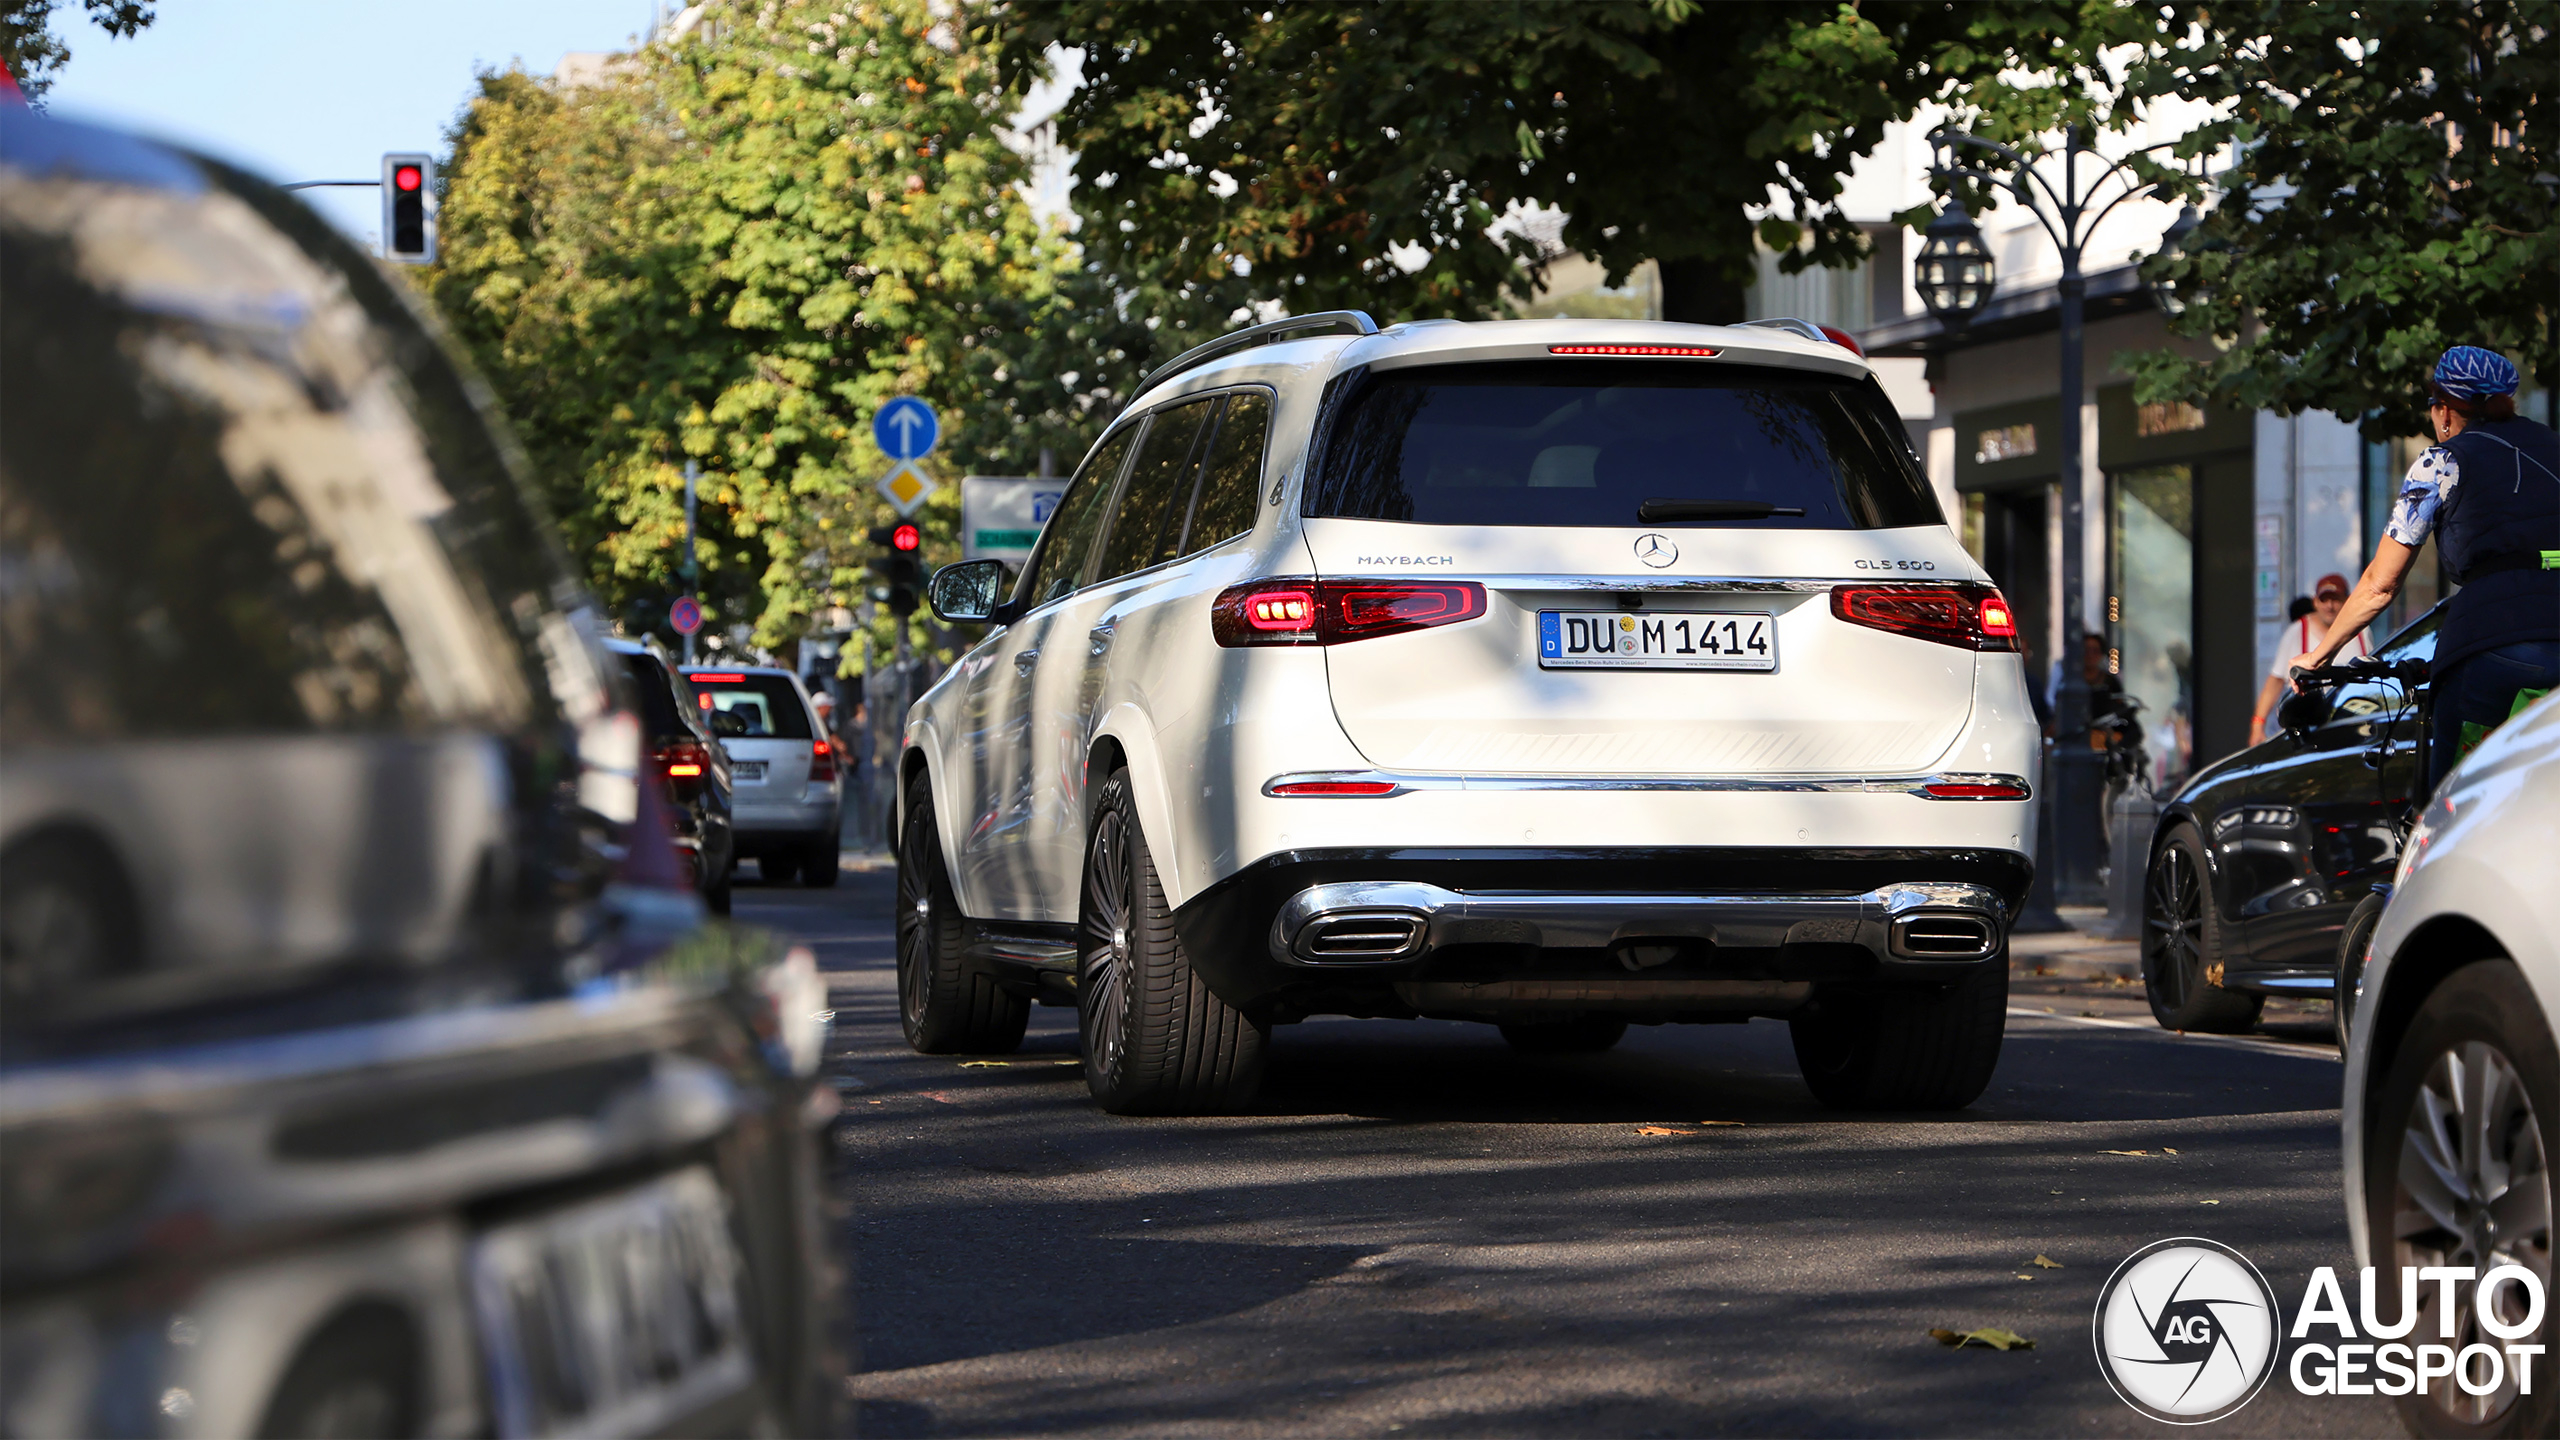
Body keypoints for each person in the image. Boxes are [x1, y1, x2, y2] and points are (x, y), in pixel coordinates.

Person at [2299, 345, 2559, 792]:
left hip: (2494, 642)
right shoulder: (2554, 445)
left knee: (2454, 800)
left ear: (2443, 411)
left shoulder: (2441, 463)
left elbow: (2381, 583)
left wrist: (2318, 656)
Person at [2251, 573, 2369, 744]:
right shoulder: (2298, 632)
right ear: (2315, 602)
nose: (2329, 606)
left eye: (2336, 600)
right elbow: (2276, 680)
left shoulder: (2361, 632)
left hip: (2353, 726)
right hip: (2310, 733)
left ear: (2347, 601)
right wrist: (2258, 724)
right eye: (2324, 600)